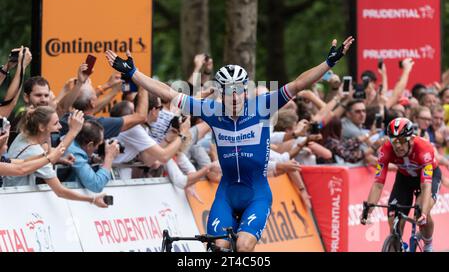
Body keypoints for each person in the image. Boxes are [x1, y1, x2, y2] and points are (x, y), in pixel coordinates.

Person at [106, 36, 354, 252]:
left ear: (246, 91)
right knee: (216, 246)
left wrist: (329, 63)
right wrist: (133, 74)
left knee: (245, 246)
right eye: (227, 91)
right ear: (219, 93)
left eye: (238, 90)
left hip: (256, 193)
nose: (234, 96)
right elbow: (169, 94)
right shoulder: (211, 110)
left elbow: (299, 84)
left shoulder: (263, 106)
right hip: (226, 193)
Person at [361, 118, 441, 252]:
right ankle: (398, 243)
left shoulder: (424, 148)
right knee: (393, 219)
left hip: (428, 178)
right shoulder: (386, 150)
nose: (398, 145)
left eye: (402, 140)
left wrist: (424, 214)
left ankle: (428, 244)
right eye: (394, 141)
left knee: (421, 211)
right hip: (404, 178)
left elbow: (426, 185)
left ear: (411, 139)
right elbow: (378, 183)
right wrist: (368, 211)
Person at [2, 106, 108, 208]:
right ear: (42, 127)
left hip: (12, 199)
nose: (60, 127)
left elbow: (46, 154)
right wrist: (93, 200)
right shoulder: (35, 150)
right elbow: (60, 191)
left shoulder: (24, 136)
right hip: (16, 204)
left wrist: (59, 158)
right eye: (56, 123)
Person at [66, 119, 120, 192]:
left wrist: (92, 158)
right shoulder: (75, 155)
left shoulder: (69, 140)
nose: (98, 148)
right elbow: (96, 185)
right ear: (90, 145)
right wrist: (109, 157)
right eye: (98, 144)